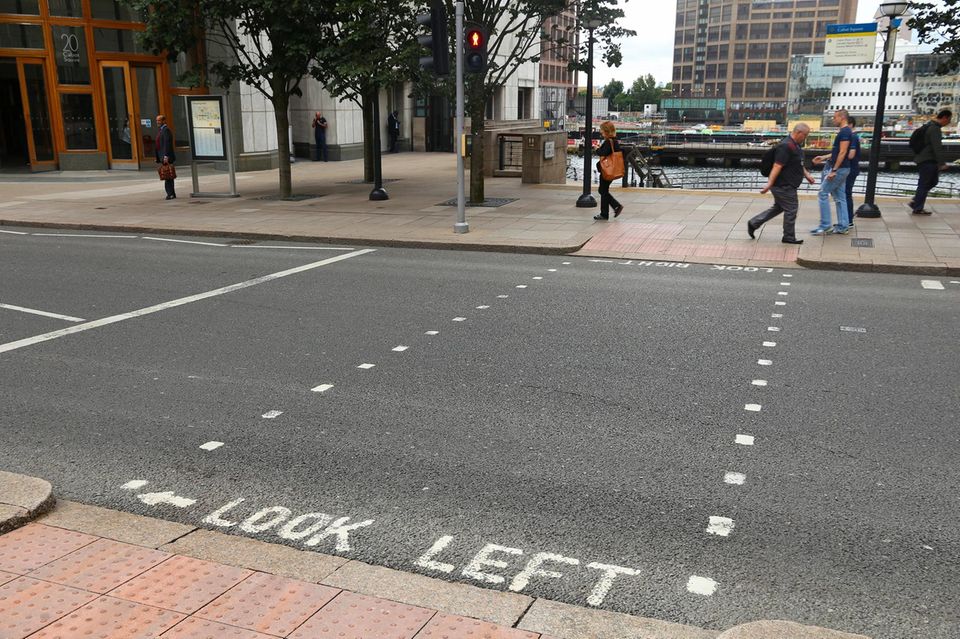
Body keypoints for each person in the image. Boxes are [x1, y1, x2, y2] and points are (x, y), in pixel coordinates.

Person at [749, 122, 815, 245]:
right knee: (791, 209)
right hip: (784, 185)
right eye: (805, 135)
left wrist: (807, 175)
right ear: (799, 133)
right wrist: (769, 184)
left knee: (779, 207)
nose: (805, 138)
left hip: (786, 184)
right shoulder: (786, 146)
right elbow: (777, 165)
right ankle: (789, 237)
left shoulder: (795, 146)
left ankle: (754, 223)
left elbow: (798, 163)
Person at [810, 109, 853, 235]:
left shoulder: (844, 132)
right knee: (840, 198)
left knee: (823, 193)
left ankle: (825, 225)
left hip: (839, 169)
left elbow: (843, 152)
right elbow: (838, 152)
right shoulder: (845, 131)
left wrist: (834, 170)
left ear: (842, 117)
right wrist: (823, 157)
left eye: (835, 117)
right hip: (843, 168)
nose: (833, 120)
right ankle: (843, 226)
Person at [909, 109, 952, 215]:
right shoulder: (935, 129)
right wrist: (942, 163)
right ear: (944, 117)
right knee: (925, 183)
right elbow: (937, 147)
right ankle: (917, 207)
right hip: (927, 160)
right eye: (949, 120)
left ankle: (916, 201)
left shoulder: (930, 125)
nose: (949, 122)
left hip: (925, 159)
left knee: (932, 182)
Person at [593, 120, 624, 221]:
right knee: (603, 190)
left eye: (602, 131)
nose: (601, 133)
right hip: (610, 169)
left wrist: (596, 148)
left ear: (606, 131)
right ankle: (606, 212)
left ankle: (614, 207)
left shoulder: (608, 141)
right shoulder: (614, 140)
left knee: (602, 190)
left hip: (607, 170)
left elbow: (603, 153)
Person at [155, 114, 176, 200]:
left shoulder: (166, 130)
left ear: (164, 121)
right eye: (157, 121)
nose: (157, 122)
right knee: (168, 176)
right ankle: (172, 193)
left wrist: (166, 156)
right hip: (163, 156)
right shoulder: (161, 130)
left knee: (168, 175)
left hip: (166, 156)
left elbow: (167, 144)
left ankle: (170, 194)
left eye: (159, 120)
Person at [844, 116, 861, 225]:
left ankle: (849, 219)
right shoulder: (853, 136)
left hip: (850, 169)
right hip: (852, 168)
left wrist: (840, 156)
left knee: (846, 194)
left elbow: (851, 154)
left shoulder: (853, 137)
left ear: (850, 124)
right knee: (846, 194)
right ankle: (847, 219)